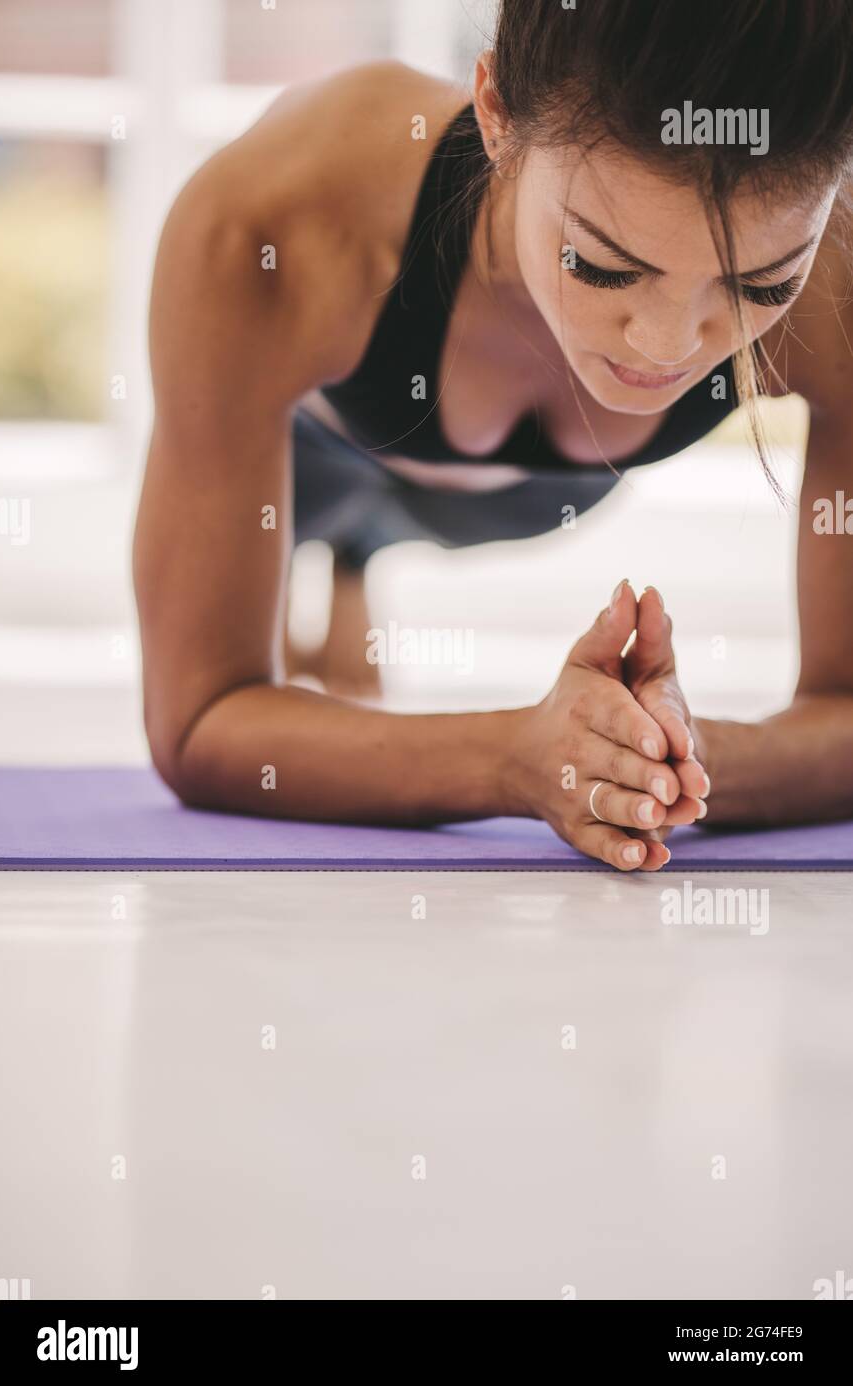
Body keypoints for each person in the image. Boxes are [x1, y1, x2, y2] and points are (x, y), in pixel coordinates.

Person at [133, 0, 853, 871]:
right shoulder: (274, 221)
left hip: (549, 493)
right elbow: (201, 720)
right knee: (324, 509)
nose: (663, 349)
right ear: (496, 116)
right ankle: (350, 548)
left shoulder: (841, 272)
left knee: (441, 516)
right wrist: (515, 758)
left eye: (763, 284)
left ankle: (366, 555)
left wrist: (655, 759)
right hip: (324, 455)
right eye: (602, 264)